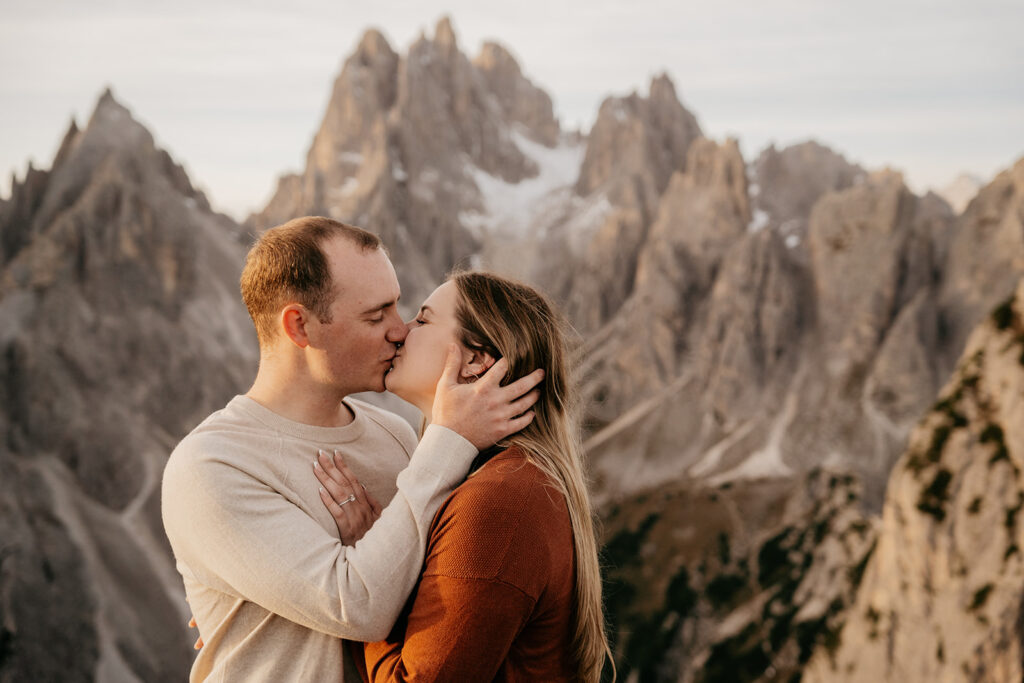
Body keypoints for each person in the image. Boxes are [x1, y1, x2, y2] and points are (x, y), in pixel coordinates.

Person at [161, 217, 543, 682]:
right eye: (375, 315)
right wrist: (451, 441)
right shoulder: (211, 465)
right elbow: (358, 607)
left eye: (398, 308)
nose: (400, 331)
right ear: (300, 326)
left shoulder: (397, 435)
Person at [314, 271, 612, 681]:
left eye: (423, 320)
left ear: (474, 360)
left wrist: (366, 560)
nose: (401, 330)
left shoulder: (500, 502)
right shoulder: (500, 481)